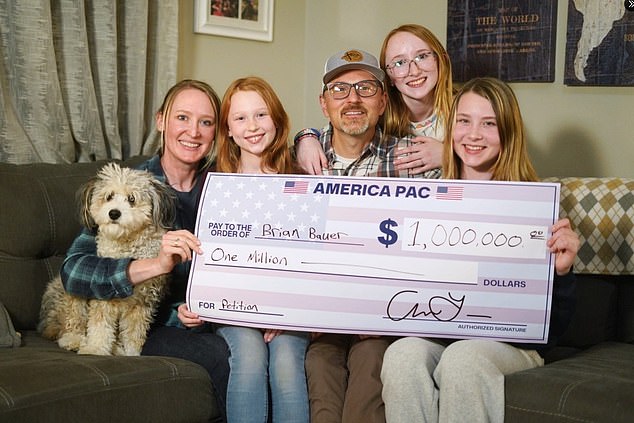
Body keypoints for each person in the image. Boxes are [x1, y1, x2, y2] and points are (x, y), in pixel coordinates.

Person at [380, 77, 580, 423]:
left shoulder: (535, 207)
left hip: (512, 346)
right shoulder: (426, 203)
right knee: (402, 354)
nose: (473, 135)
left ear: (508, 133)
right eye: (464, 121)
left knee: (464, 358)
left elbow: (553, 331)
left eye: (489, 124)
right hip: (438, 334)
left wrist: (561, 272)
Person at [60, 79, 230, 422]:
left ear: (216, 133)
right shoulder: (126, 189)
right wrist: (152, 266)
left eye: (206, 122)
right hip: (152, 324)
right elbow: (74, 271)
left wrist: (305, 141)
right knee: (225, 356)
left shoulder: (226, 186)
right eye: (182, 117)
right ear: (161, 121)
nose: (193, 132)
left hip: (216, 317)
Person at [190, 76, 310, 423]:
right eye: (240, 118)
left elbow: (310, 260)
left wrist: (284, 311)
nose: (253, 127)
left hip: (290, 312)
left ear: (277, 119)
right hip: (232, 310)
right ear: (227, 129)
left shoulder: (302, 180)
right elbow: (206, 258)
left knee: (287, 364)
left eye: (261, 115)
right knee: (249, 356)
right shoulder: (213, 183)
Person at [303, 48, 411, 423]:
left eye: (366, 88)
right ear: (323, 102)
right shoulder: (295, 162)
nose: (352, 99)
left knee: (369, 372)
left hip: (382, 320)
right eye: (339, 89)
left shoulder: (410, 162)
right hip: (320, 323)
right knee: (320, 372)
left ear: (383, 100)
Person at [295, 24, 453, 177]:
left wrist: (449, 155)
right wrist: (305, 138)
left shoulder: (464, 109)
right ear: (389, 76)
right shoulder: (382, 117)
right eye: (399, 63)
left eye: (422, 56)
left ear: (441, 59)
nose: (414, 70)